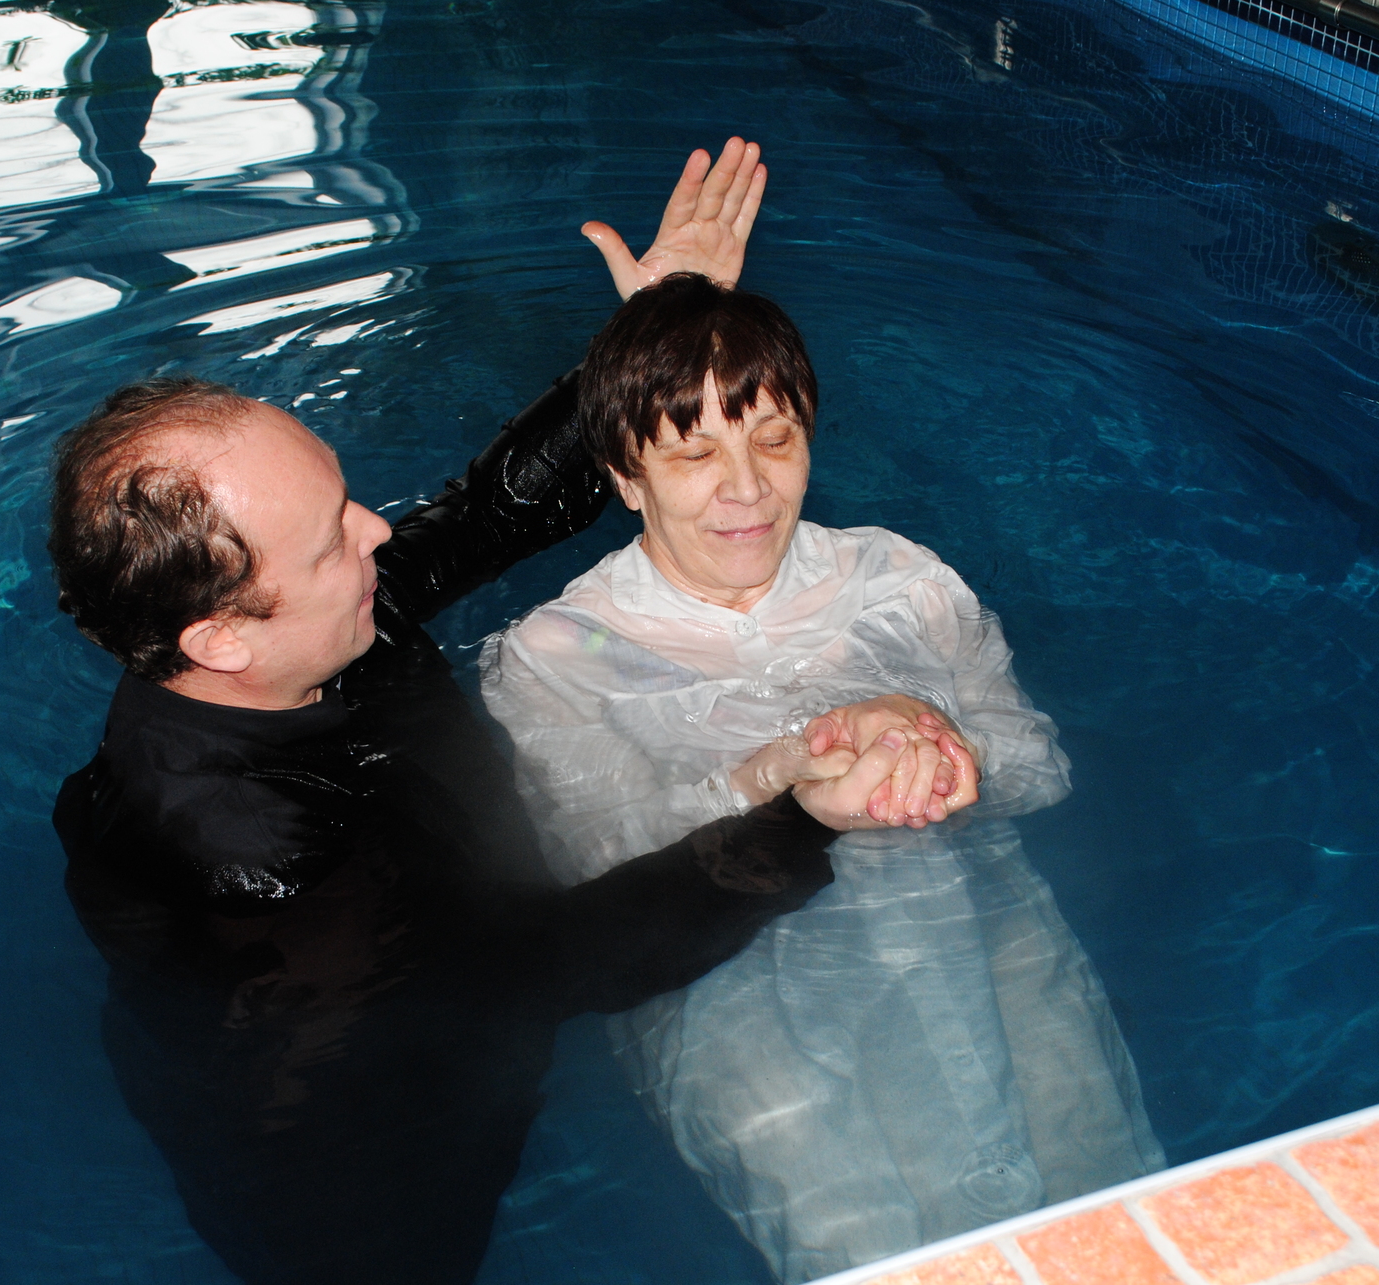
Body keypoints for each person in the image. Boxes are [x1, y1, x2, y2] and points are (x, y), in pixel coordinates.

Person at [46, 140, 953, 1285]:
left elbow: (480, 515)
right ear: (220, 637)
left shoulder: (290, 636)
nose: (377, 530)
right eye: (331, 539)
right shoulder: (266, 871)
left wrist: (654, 335)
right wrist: (800, 817)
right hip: (366, 1195)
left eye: (346, 498)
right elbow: (551, 967)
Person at [480, 273, 1166, 1283]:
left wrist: (950, 747)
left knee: (1122, 1228)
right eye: (695, 454)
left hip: (985, 937)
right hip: (741, 995)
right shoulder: (555, 656)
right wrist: (777, 770)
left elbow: (1040, 768)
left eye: (775, 439)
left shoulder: (902, 582)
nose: (747, 489)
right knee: (876, 1257)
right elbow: (604, 869)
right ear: (625, 474)